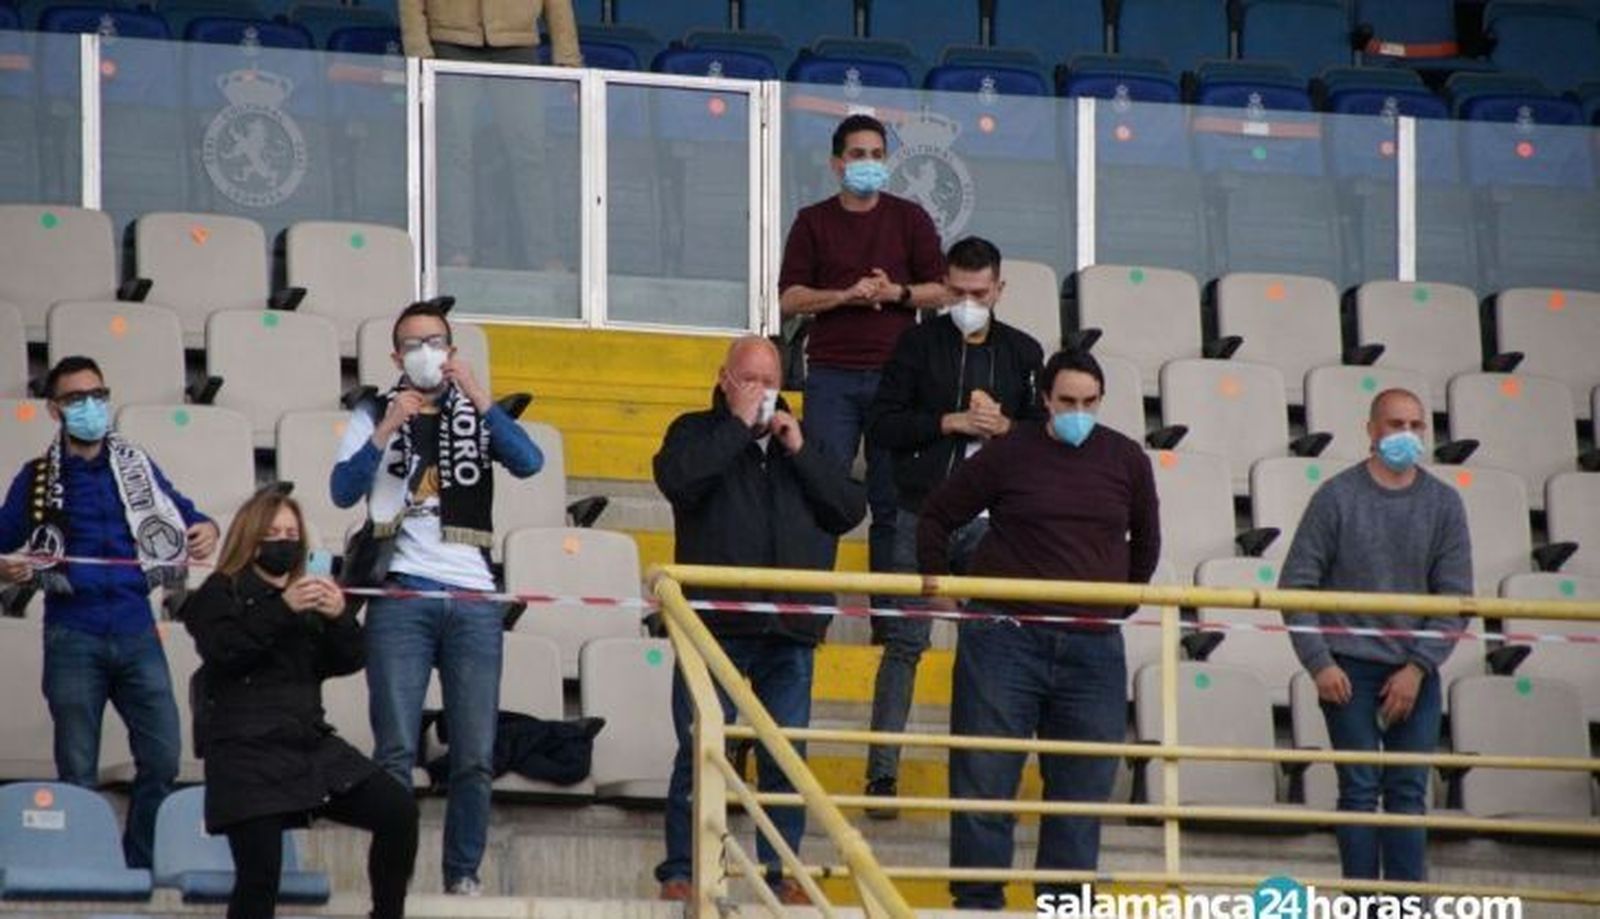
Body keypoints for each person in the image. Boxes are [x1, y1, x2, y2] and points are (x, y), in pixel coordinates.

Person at [918, 349, 1160, 910]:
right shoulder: (1009, 453)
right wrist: (937, 578)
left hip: (1094, 645)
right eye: (1068, 401)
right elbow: (937, 514)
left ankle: (1064, 902)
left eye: (1090, 402)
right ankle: (978, 901)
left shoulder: (1126, 459)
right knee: (985, 772)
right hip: (1004, 636)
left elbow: (1146, 543)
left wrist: (1116, 607)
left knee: (1084, 782)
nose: (1079, 411)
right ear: (1046, 400)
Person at [330, 301, 544, 896]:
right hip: (401, 595)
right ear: (396, 356)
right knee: (396, 750)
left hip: (473, 598)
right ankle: (392, 883)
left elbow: (530, 463)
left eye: (437, 341)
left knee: (474, 753)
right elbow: (343, 489)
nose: (427, 352)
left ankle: (462, 876)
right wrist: (386, 428)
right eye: (414, 344)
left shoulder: (471, 407)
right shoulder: (373, 409)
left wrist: (478, 396)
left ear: (451, 351)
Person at [652, 336, 866, 905]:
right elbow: (679, 481)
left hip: (789, 632)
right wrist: (738, 428)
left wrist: (798, 450)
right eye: (748, 380)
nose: (761, 391)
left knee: (784, 758)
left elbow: (847, 510)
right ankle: (683, 870)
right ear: (724, 379)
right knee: (699, 753)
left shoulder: (807, 440)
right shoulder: (695, 431)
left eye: (769, 381)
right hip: (713, 628)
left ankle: (783, 873)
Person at [0, 356, 218, 869]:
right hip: (71, 632)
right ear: (55, 410)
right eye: (76, 399)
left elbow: (188, 515)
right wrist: (6, 569)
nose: (90, 407)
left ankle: (137, 868)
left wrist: (206, 525)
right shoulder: (35, 479)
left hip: (137, 628)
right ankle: (84, 871)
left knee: (163, 758)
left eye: (97, 394)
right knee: (77, 770)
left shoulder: (136, 465)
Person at [862, 236, 1044, 816]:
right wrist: (949, 421)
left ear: (999, 290)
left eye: (980, 293)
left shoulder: (1024, 352)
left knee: (990, 652)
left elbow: (1046, 437)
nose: (968, 302)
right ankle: (881, 775)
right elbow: (883, 426)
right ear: (944, 287)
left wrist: (1006, 428)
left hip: (996, 521)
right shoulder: (915, 345)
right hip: (923, 513)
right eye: (958, 292)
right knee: (903, 647)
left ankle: (982, 779)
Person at [182, 487, 418, 919]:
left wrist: (338, 617)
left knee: (398, 811)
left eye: (291, 532)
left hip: (308, 744)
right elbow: (226, 650)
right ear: (250, 538)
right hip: (245, 753)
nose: (284, 540)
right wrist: (283, 608)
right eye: (273, 532)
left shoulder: (308, 591)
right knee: (259, 879)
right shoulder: (218, 592)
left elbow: (347, 660)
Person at [1279, 388, 1471, 887]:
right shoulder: (1336, 497)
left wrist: (1417, 668)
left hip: (1415, 670)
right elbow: (1296, 585)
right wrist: (1320, 663)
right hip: (1347, 668)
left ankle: (1405, 906)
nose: (1406, 435)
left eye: (1415, 425)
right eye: (1394, 424)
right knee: (1360, 789)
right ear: (1370, 430)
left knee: (1409, 790)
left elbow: (1457, 599)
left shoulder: (1444, 504)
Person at [778, 113, 948, 577]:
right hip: (831, 377)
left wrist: (896, 292)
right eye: (858, 155)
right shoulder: (812, 222)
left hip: (898, 381)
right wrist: (844, 296)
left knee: (892, 503)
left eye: (876, 155)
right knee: (822, 491)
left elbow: (944, 288)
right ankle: (811, 615)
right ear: (837, 163)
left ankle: (889, 624)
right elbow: (789, 299)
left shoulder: (909, 218)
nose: (868, 163)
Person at [400, 0, 581, 271]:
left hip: (517, 42)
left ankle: (545, 256)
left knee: (531, 154)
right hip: (449, 40)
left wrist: (568, 59)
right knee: (452, 152)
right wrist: (418, 52)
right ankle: (456, 254)